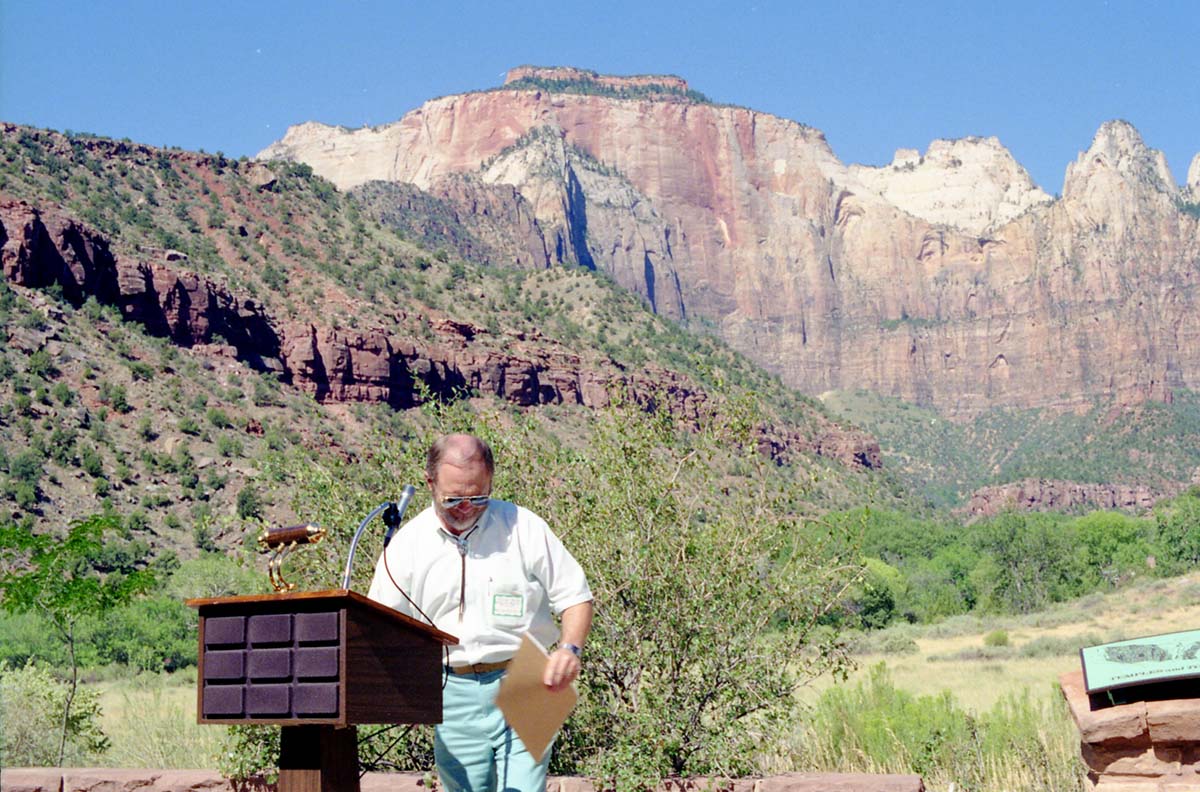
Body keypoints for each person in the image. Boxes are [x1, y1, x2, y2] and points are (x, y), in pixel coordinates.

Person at [367, 433, 593, 792]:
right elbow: (380, 624)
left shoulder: (523, 526)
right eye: (453, 498)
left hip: (527, 677)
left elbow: (576, 596)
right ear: (430, 483)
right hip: (449, 685)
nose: (466, 507)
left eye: (478, 496)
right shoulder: (407, 545)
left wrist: (569, 649)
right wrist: (404, 689)